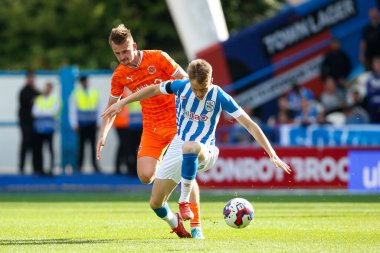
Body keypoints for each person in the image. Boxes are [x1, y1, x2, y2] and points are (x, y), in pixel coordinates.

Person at [102, 59, 291, 239]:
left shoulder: (219, 95)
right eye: (196, 89)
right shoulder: (181, 86)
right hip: (179, 145)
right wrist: (122, 102)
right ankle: (175, 221)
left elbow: (250, 125)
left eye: (203, 89)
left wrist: (272, 154)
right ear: (188, 83)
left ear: (212, 80)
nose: (199, 94)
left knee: (190, 146)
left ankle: (187, 208)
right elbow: (152, 89)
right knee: (156, 203)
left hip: (205, 149)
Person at [96, 24, 204, 238]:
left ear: (134, 45)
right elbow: (111, 109)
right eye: (117, 54)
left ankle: (196, 226)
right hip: (152, 128)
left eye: (125, 51)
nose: (123, 57)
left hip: (177, 125)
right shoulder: (119, 75)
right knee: (146, 176)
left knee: (186, 172)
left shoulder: (158, 58)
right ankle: (174, 221)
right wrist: (103, 134)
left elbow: (184, 80)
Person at [69, 75, 102, 173]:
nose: (85, 83)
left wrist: (99, 122)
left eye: (86, 81)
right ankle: (79, 166)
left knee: (94, 146)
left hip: (92, 124)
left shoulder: (94, 93)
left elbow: (99, 108)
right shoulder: (75, 94)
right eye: (83, 81)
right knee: (81, 146)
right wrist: (74, 123)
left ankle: (95, 165)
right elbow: (72, 110)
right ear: (81, 83)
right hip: (81, 124)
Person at [32, 82, 60, 175]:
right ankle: (39, 169)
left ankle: (51, 168)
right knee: (39, 149)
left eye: (49, 88)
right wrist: (45, 112)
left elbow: (53, 112)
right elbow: (34, 112)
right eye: (46, 87)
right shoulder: (39, 98)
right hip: (39, 129)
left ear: (51, 89)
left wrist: (42, 112)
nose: (47, 89)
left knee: (50, 149)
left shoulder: (55, 99)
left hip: (49, 129)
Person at [113, 90, 142, 176]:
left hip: (133, 126)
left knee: (129, 147)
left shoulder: (128, 93)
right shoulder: (124, 94)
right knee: (127, 147)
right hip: (126, 125)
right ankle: (127, 168)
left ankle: (129, 168)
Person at [18, 70, 40, 174]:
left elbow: (41, 99)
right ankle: (21, 167)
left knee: (35, 145)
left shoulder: (35, 91)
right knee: (25, 143)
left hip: (35, 123)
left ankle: (35, 168)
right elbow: (30, 101)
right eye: (30, 78)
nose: (32, 80)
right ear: (27, 79)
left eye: (33, 78)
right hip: (25, 122)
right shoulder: (23, 91)